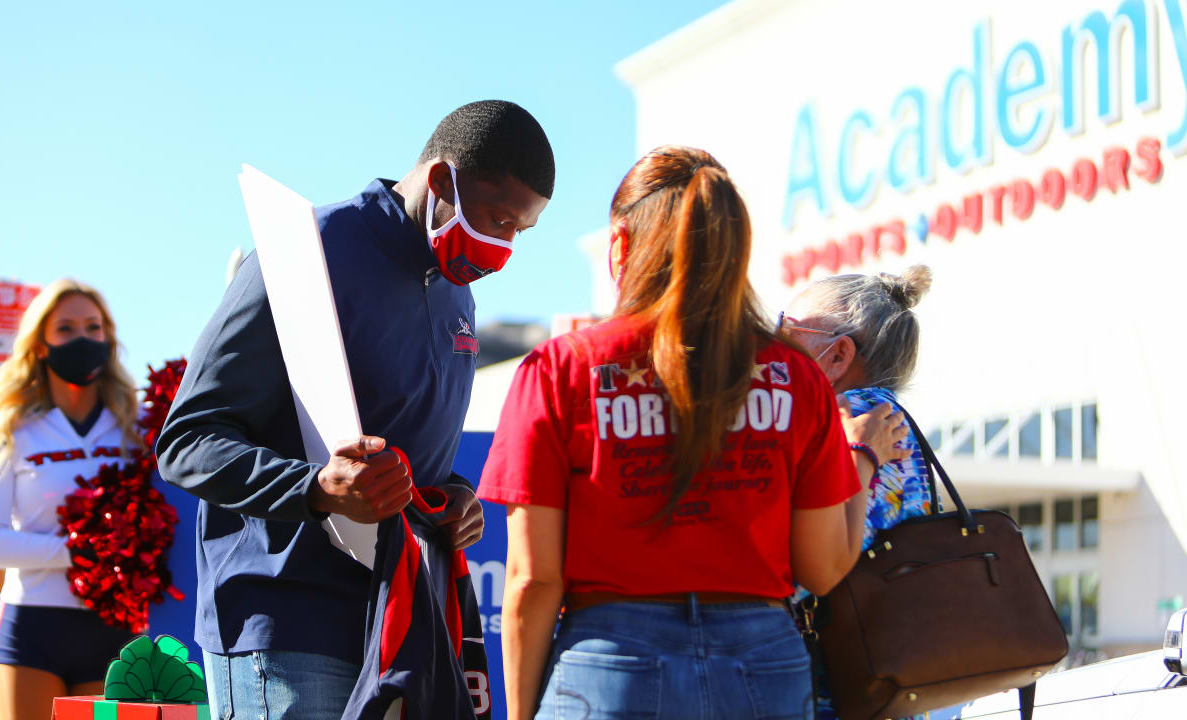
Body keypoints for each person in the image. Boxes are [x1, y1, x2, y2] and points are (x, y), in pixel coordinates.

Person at [156, 100, 554, 719]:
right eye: (497, 218)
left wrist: (450, 500)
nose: (501, 247)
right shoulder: (305, 252)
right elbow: (186, 441)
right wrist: (316, 488)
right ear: (443, 179)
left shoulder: (459, 297)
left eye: (518, 233)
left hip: (399, 629)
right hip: (284, 623)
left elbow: (411, 456)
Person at [476, 146, 902, 720]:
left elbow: (533, 579)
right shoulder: (796, 377)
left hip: (609, 663)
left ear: (620, 245)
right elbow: (823, 569)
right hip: (762, 665)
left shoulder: (561, 370)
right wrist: (861, 458)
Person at [0, 279, 142, 720]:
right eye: (65, 329)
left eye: (93, 327)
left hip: (115, 630)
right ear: (40, 345)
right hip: (31, 630)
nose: (82, 339)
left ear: (108, 338)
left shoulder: (137, 427)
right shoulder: (9, 425)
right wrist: (82, 552)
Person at [775, 265, 935, 720]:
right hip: (881, 677)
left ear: (838, 355)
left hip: (829, 683)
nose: (773, 341)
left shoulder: (844, 421)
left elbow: (798, 572)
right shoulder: (888, 416)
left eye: (789, 328)